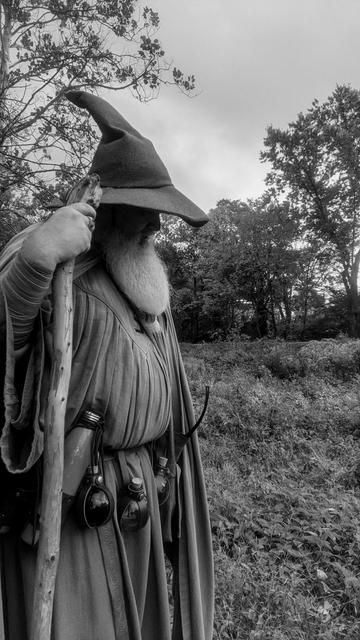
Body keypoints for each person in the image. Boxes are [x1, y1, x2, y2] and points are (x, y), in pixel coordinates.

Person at [0, 92, 214, 640]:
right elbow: (7, 348)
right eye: (148, 212)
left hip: (138, 496)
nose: (158, 228)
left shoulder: (141, 281)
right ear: (109, 208)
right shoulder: (55, 262)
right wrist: (33, 264)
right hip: (69, 510)